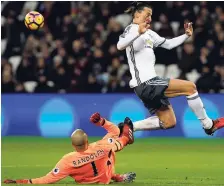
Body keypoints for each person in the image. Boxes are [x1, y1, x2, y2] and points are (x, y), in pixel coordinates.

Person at [117, 2, 224, 135]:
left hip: (148, 85)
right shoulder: (132, 29)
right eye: (147, 14)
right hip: (146, 83)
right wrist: (137, 33)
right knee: (190, 87)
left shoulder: (149, 33)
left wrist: (186, 35)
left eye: (151, 15)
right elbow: (120, 45)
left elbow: (168, 44)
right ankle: (208, 125)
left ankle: (130, 126)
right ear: (137, 14)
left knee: (169, 122)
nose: (150, 18)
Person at [4, 113, 136, 184]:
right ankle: (125, 140)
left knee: (111, 148)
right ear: (87, 140)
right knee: (112, 148)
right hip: (105, 178)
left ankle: (124, 141)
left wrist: (19, 181)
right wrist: (102, 122)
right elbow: (114, 131)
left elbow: (47, 180)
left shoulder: (68, 160)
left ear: (73, 145)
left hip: (87, 182)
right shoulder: (101, 146)